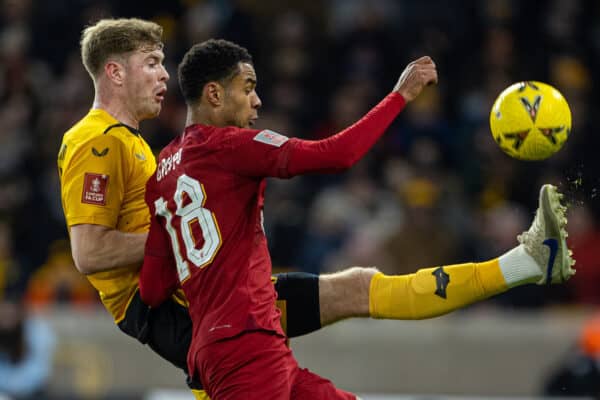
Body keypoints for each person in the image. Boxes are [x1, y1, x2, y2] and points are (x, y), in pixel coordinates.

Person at [138, 38, 575, 399]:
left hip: (237, 341)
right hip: (245, 345)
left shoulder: (161, 173)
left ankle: (526, 262)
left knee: (359, 287)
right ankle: (526, 264)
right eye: (248, 86)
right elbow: (337, 155)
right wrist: (400, 95)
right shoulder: (233, 145)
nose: (257, 99)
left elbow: (153, 287)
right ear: (214, 93)